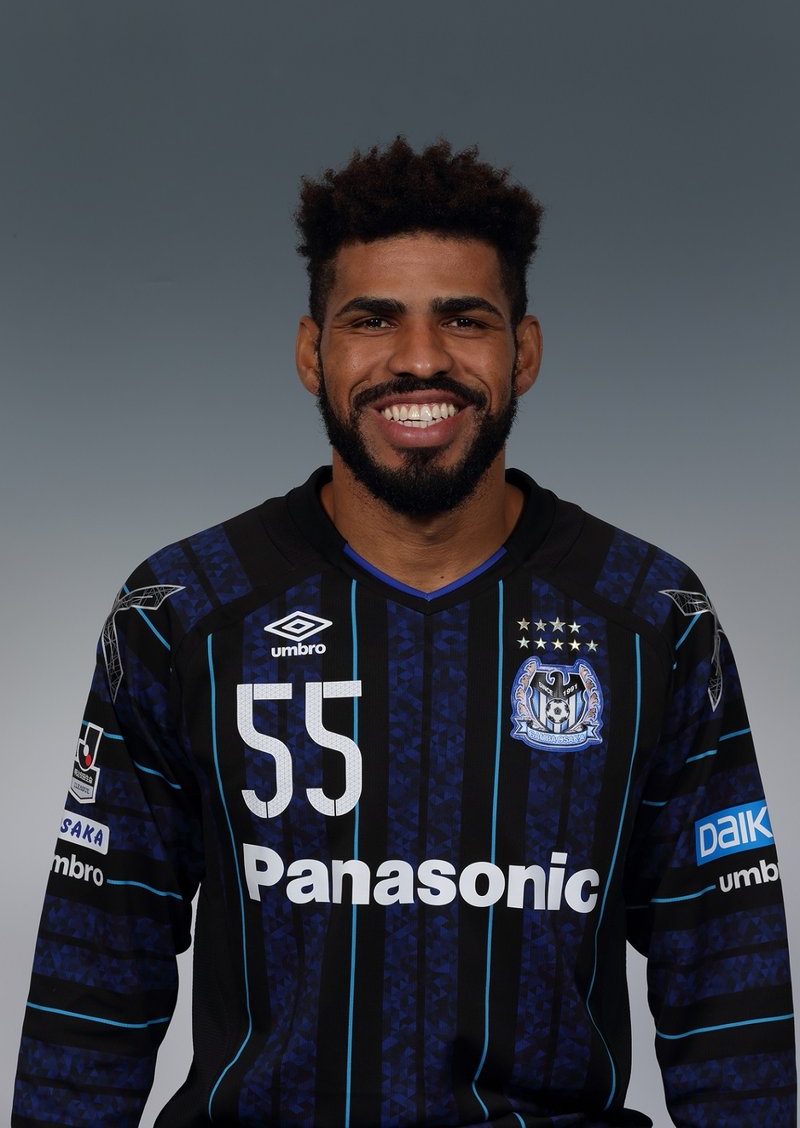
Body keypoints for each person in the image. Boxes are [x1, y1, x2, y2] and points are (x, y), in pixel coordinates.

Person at [12, 139, 796, 1127]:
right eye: (372, 319)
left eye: (464, 319)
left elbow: (728, 984)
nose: (420, 358)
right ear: (312, 353)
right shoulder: (184, 609)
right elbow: (94, 973)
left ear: (523, 352)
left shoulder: (647, 613)